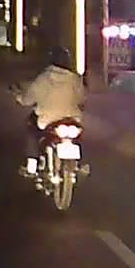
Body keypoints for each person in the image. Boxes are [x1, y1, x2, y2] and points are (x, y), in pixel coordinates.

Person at [16, 46, 85, 178]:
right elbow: (81, 98)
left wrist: (20, 97)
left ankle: (31, 166)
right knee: (78, 136)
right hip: (72, 119)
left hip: (47, 120)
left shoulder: (43, 79)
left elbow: (28, 99)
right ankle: (79, 164)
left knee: (31, 127)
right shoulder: (74, 79)